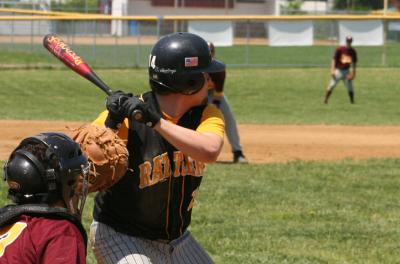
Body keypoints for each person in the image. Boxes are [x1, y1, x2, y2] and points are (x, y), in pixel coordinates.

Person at [89, 32, 226, 263]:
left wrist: (155, 122)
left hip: (177, 240)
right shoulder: (127, 120)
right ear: (189, 84)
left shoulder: (206, 115)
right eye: (205, 75)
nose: (211, 81)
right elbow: (87, 169)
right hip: (120, 235)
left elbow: (209, 150)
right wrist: (110, 124)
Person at [0, 132, 89, 264]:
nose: (78, 189)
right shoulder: (60, 231)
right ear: (59, 186)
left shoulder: (7, 221)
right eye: (74, 181)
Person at [207, 42, 248, 164]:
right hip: (194, 94)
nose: (209, 56)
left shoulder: (218, 68)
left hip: (213, 93)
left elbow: (218, 92)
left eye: (210, 53)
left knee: (229, 118)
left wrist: (215, 104)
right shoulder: (193, 68)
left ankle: (238, 152)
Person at [324, 35, 358, 104]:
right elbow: (334, 59)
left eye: (350, 41)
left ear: (351, 42)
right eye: (348, 41)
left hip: (347, 72)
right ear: (346, 41)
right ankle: (326, 100)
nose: (349, 42)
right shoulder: (340, 49)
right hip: (338, 71)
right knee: (331, 85)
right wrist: (332, 70)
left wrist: (354, 74)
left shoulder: (353, 51)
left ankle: (352, 102)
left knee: (350, 87)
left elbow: (354, 63)